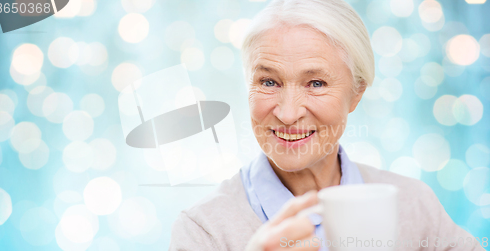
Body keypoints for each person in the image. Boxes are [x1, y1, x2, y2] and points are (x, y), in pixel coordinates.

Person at [169, 0, 484, 250]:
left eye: (316, 83)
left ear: (356, 94)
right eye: (268, 81)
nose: (288, 114)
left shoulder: (415, 206)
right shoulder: (203, 232)